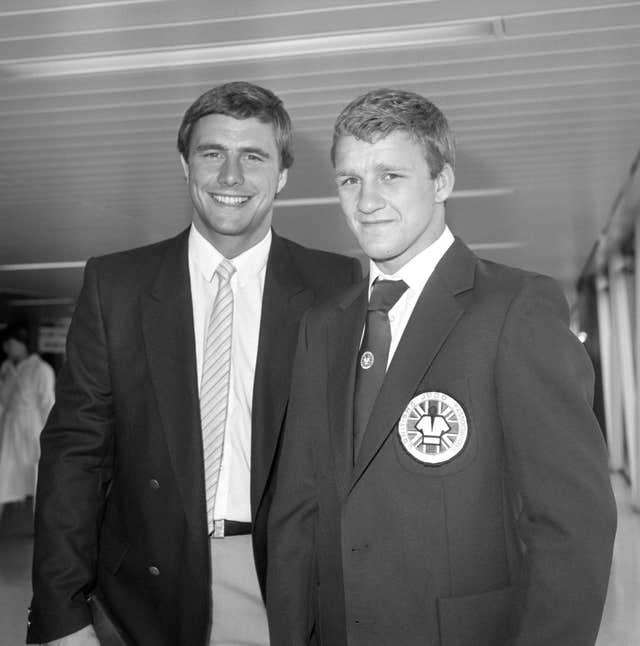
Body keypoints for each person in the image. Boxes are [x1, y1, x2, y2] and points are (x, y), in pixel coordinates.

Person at [266, 89, 617, 646]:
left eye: (391, 176)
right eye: (350, 180)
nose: (367, 201)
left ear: (442, 182)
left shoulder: (514, 309)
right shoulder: (323, 327)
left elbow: (572, 525)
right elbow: (297, 515)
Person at [27, 81, 361, 646]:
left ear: (281, 174)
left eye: (253, 157)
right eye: (212, 154)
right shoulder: (117, 286)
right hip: (143, 590)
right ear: (185, 164)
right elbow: (75, 455)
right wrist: (61, 615)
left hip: (286, 581)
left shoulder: (338, 286)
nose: (231, 177)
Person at [0, 323, 55, 520]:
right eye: (5, 344)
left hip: (32, 428)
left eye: (10, 343)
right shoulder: (6, 367)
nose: (7, 348)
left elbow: (47, 404)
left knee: (35, 474)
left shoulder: (41, 370)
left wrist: (50, 436)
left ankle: (40, 522)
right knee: (4, 471)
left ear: (23, 344)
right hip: (9, 427)